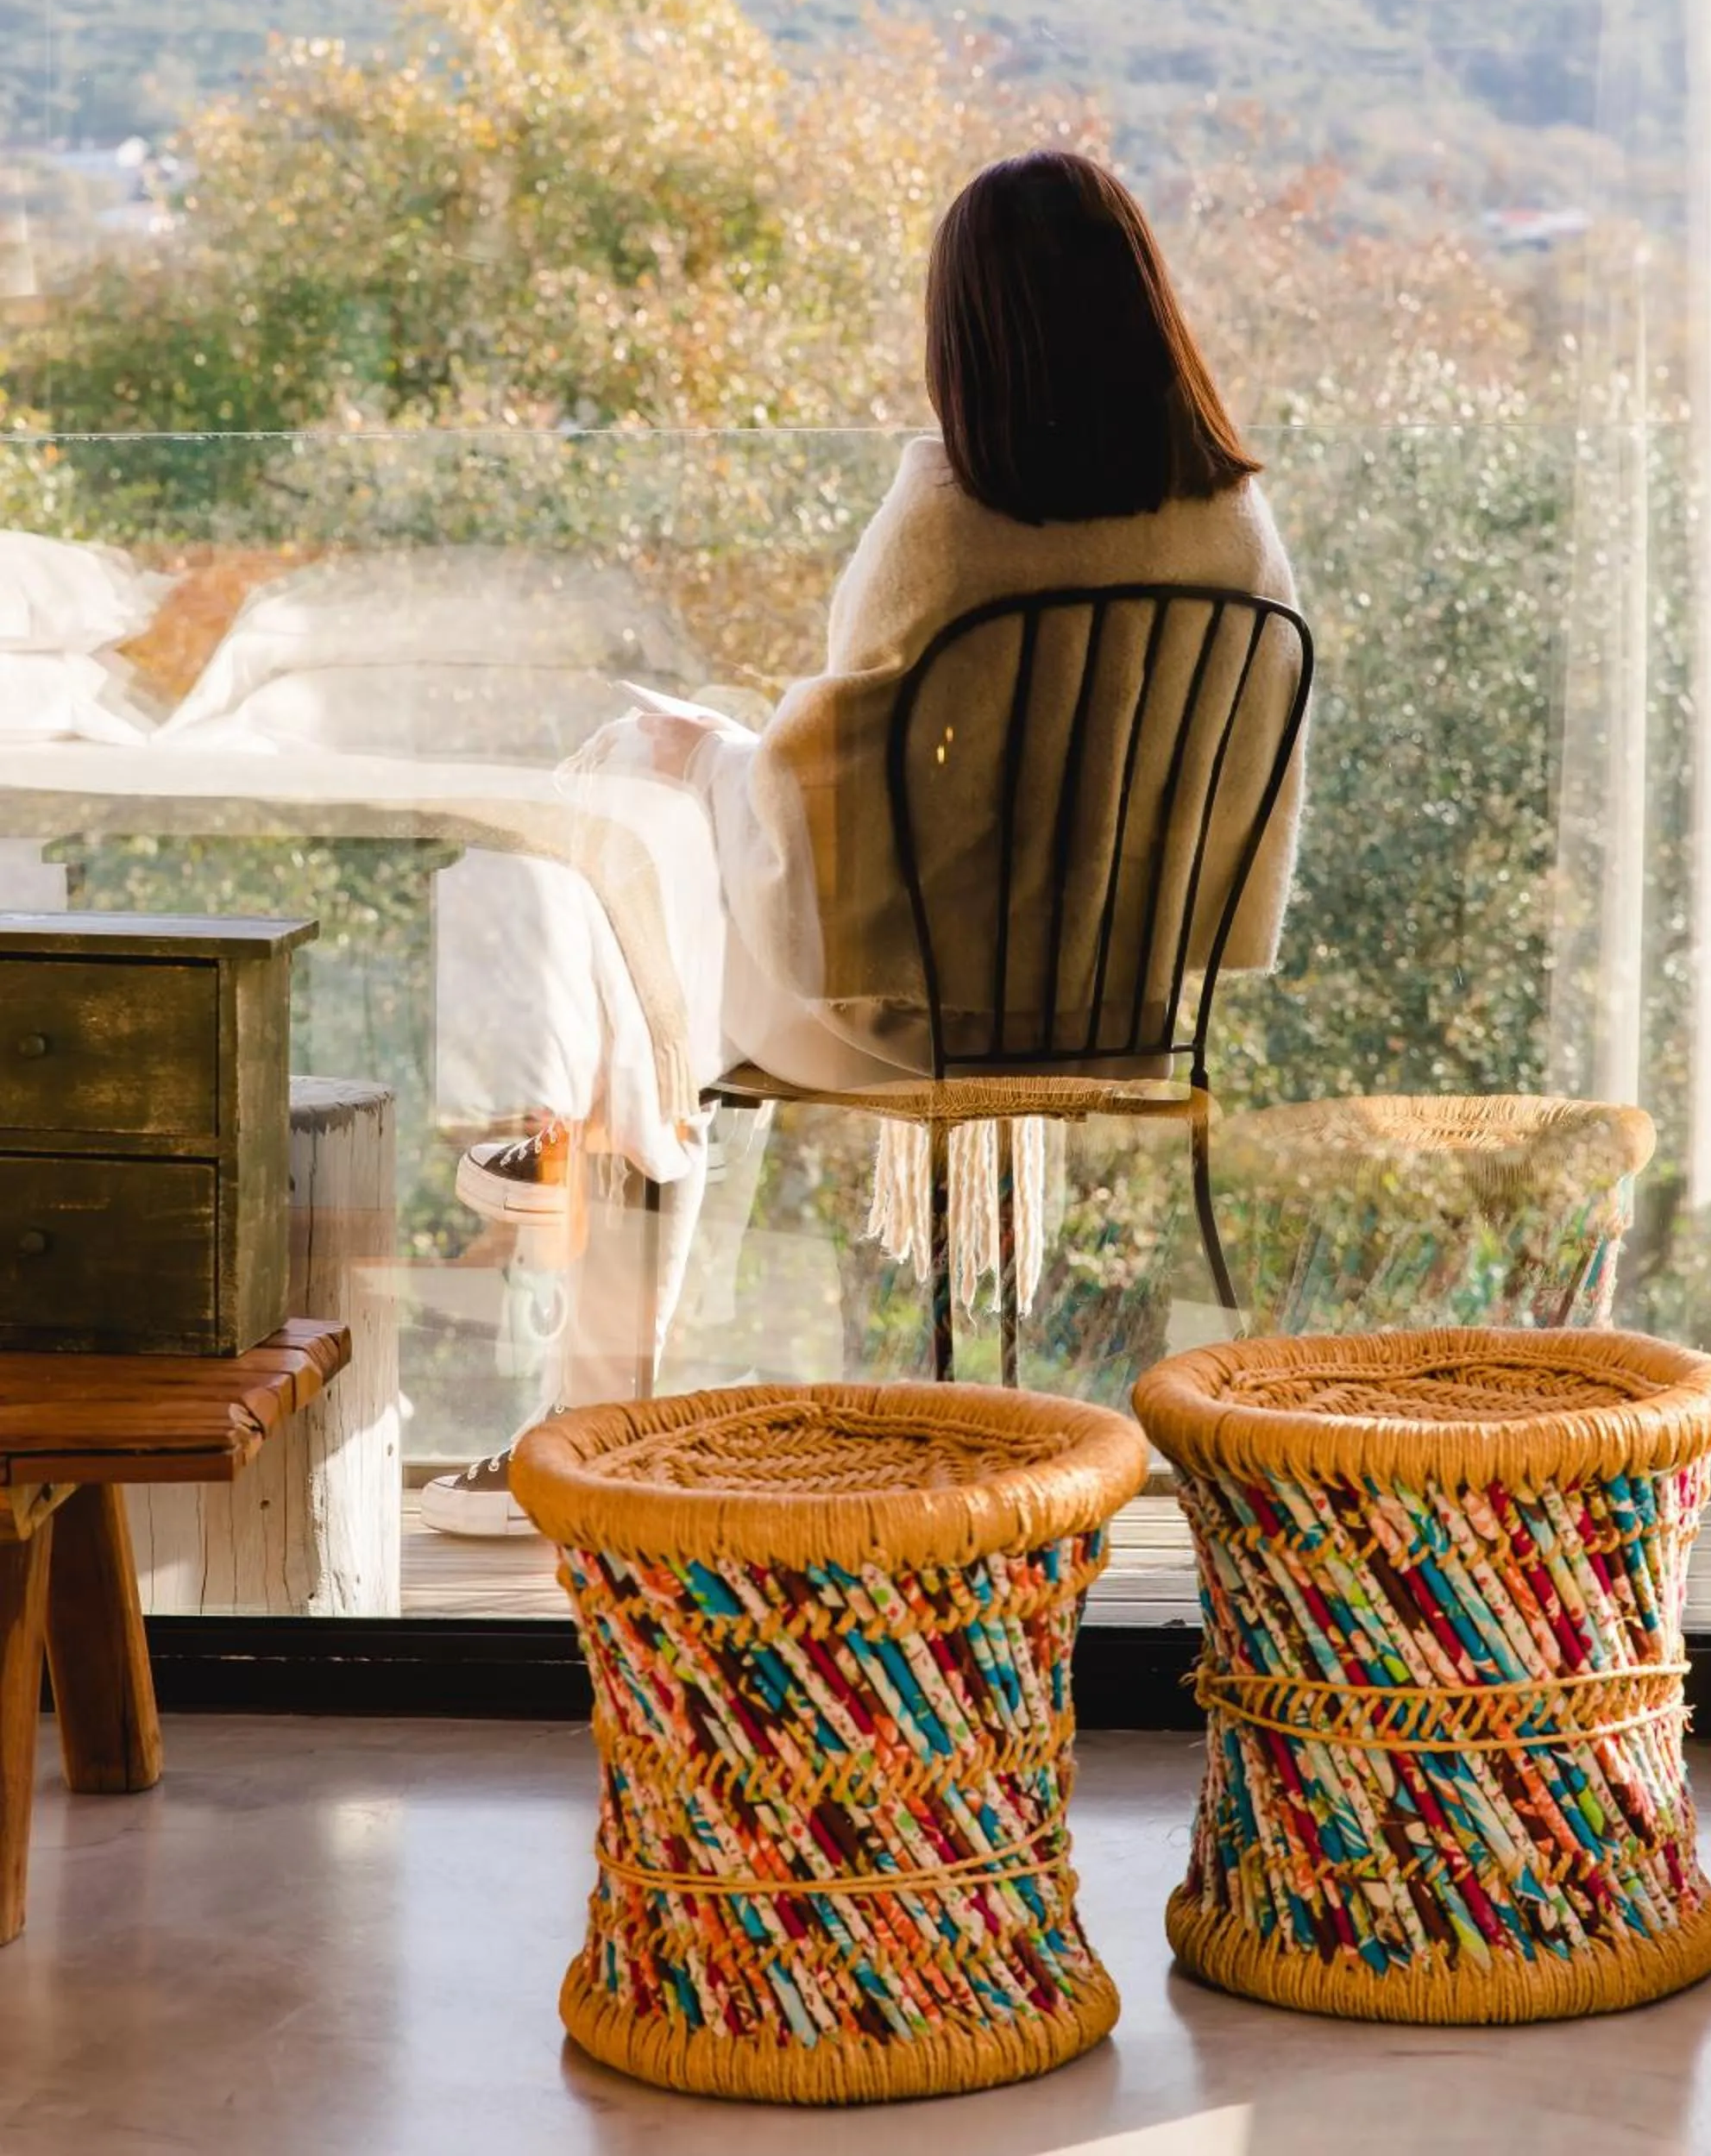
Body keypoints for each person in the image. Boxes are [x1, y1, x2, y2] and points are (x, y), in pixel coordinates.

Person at [421, 148, 1303, 1532]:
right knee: (650, 954)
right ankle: (553, 1149)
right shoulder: (1239, 526)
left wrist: (707, 751)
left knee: (630, 835)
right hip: (1128, 1011)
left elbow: (837, 805)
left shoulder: (948, 517)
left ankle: (556, 1297)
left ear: (969, 333)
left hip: (914, 1020)